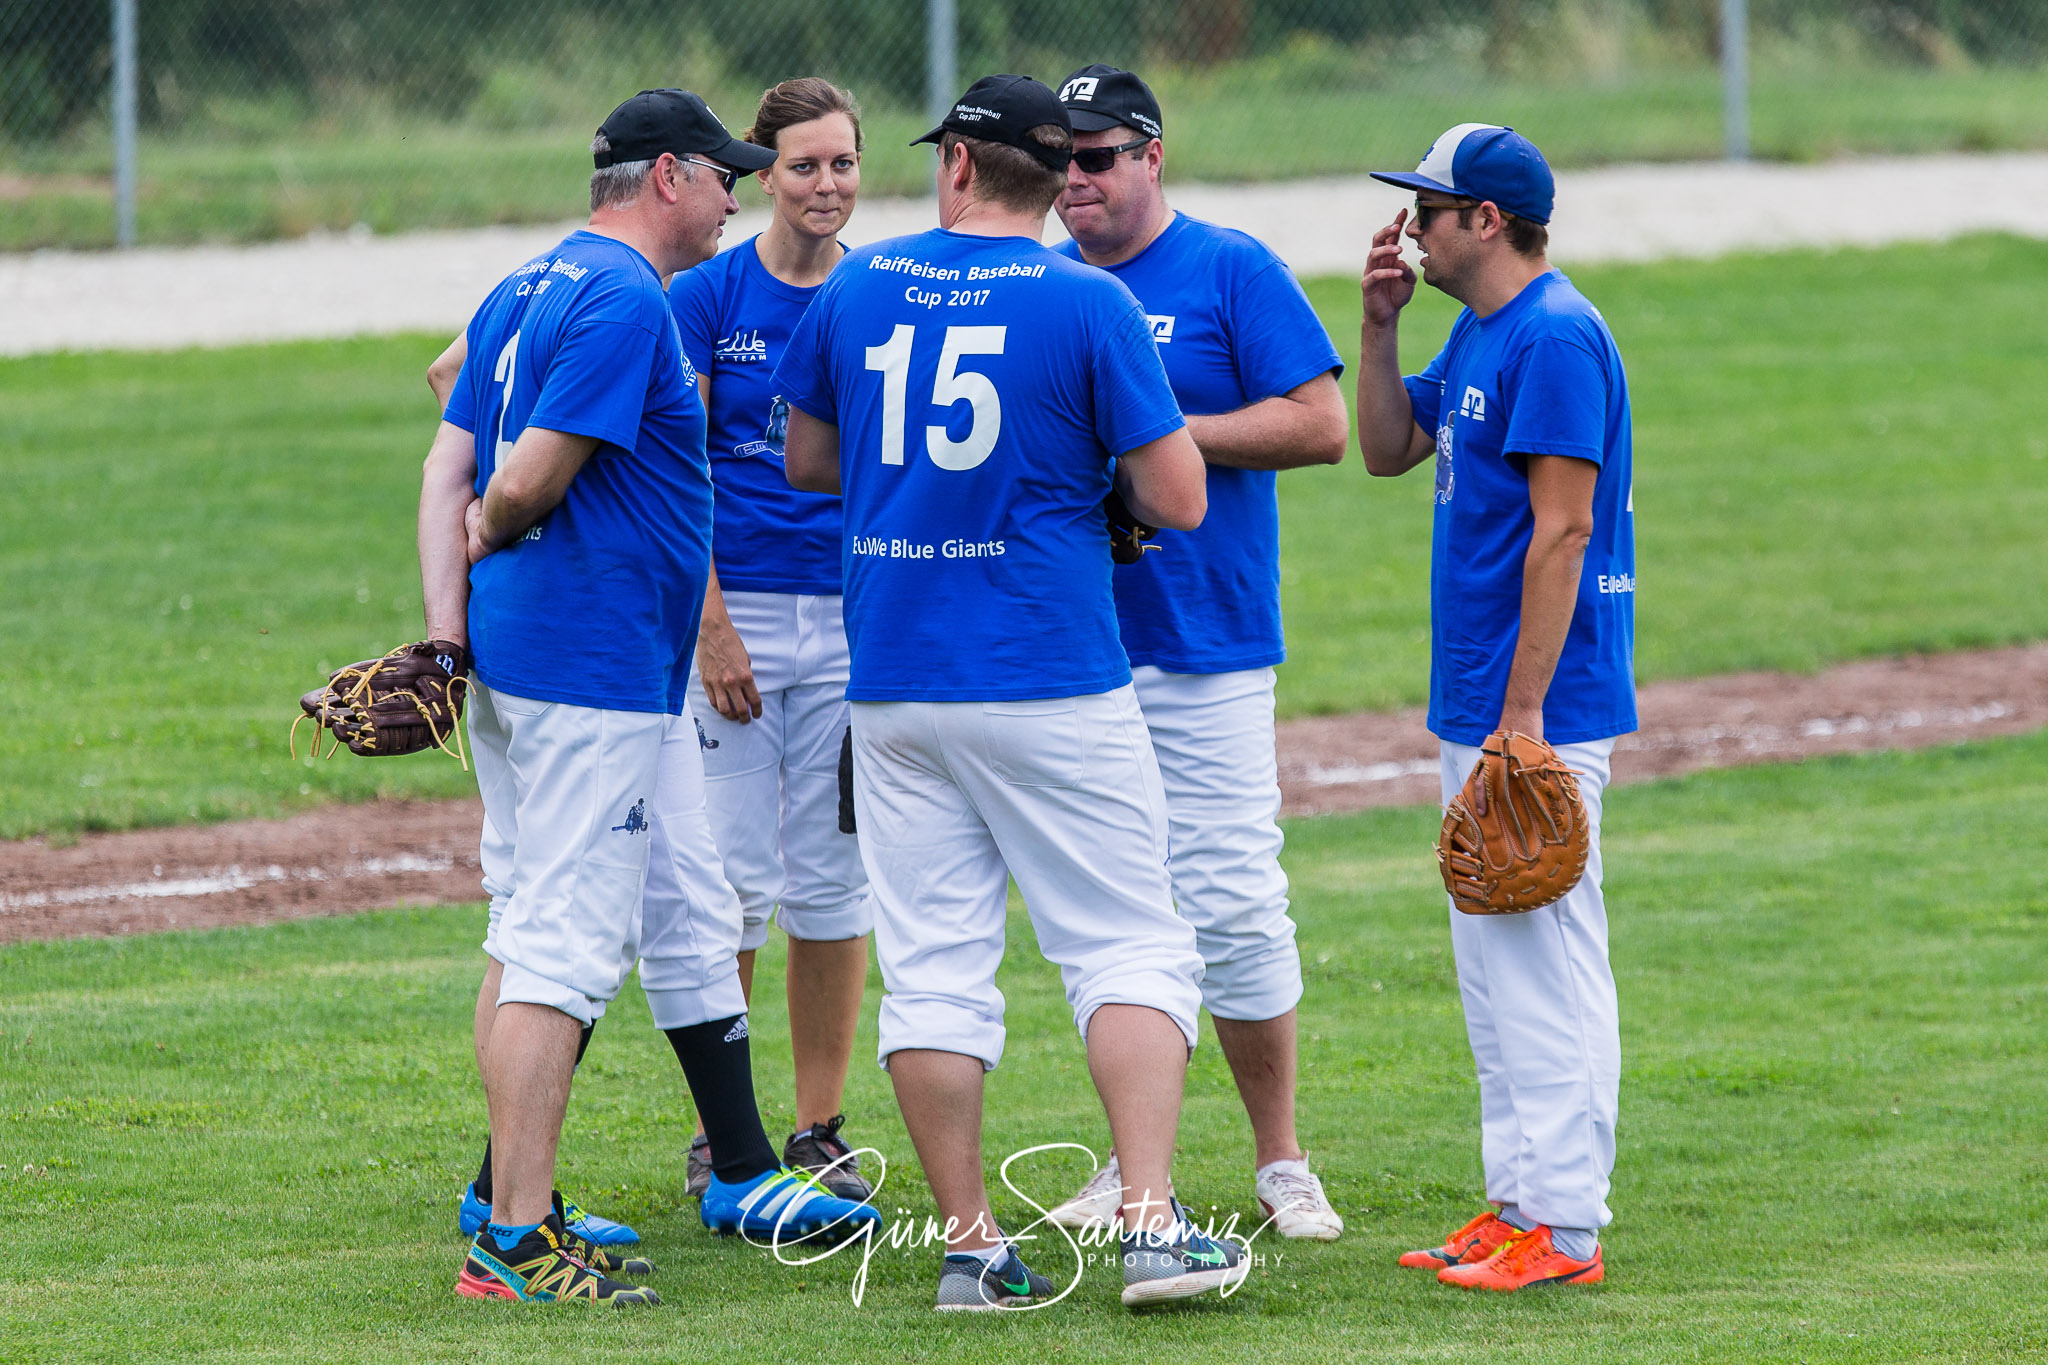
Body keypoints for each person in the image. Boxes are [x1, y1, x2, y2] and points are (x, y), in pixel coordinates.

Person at [772, 73, 1250, 1312]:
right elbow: (1180, 498)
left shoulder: (860, 282)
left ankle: (970, 1247)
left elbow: (809, 461)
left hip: (894, 675)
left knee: (932, 967)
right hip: (1048, 666)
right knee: (1126, 941)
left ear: (959, 167)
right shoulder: (1086, 300)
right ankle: (1149, 1223)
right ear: (1051, 178)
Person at [422, 89, 870, 1306]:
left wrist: (444, 628)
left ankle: (727, 1168)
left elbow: (442, 439)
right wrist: (496, 523)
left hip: (580, 665)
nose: (737, 193)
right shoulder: (625, 298)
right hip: (593, 670)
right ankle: (512, 1239)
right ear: (666, 177)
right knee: (558, 946)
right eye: (724, 174)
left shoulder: (529, 280)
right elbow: (509, 480)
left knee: (685, 901)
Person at [1042, 64, 1350, 1242]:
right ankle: (1134, 1174)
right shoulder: (1044, 283)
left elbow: (1319, 421)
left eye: (1100, 154)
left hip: (1206, 644)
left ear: (1150, 157)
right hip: (1073, 654)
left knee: (1232, 902)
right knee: (1108, 917)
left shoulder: (1226, 268)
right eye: (1061, 156)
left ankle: (1280, 1161)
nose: (1077, 176)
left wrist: (1158, 440)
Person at [1354, 123, 1635, 1291]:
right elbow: (1382, 449)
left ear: (1486, 220)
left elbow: (1562, 528)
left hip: (1540, 702)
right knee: (1492, 962)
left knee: (1546, 961)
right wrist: (1376, 330)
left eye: (1429, 205)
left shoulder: (1556, 337)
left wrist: (1520, 723)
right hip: (1481, 697)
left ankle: (1564, 1229)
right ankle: (1515, 1201)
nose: (1411, 223)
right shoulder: (1480, 330)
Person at [667, 77, 875, 1202]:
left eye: (842, 163)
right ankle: (728, 1132)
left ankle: (817, 1126)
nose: (825, 185)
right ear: (762, 173)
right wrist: (711, 627)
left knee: (835, 886)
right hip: (734, 621)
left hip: (852, 628)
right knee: (732, 885)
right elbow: (677, 468)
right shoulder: (707, 296)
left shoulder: (877, 293)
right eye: (802, 165)